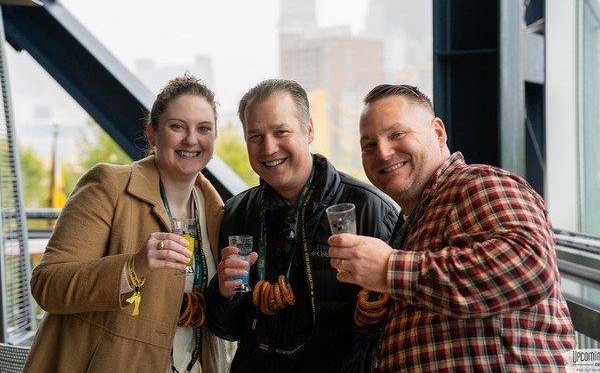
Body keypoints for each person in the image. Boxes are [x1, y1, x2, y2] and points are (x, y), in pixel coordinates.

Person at [328, 84, 577, 372]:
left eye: (397, 134)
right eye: (369, 145)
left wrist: (389, 268)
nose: (382, 153)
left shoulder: (479, 183)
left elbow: (529, 266)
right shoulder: (414, 222)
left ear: (438, 132)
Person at [23, 74, 226, 373]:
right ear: (152, 133)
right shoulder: (109, 186)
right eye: (177, 126)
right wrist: (133, 267)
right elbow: (47, 285)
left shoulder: (216, 212)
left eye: (204, 128)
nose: (191, 140)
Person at [205, 79, 398, 372]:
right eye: (255, 136)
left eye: (281, 132)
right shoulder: (236, 212)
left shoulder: (370, 208)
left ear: (308, 131)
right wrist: (224, 294)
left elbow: (394, 329)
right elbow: (226, 330)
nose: (269, 148)